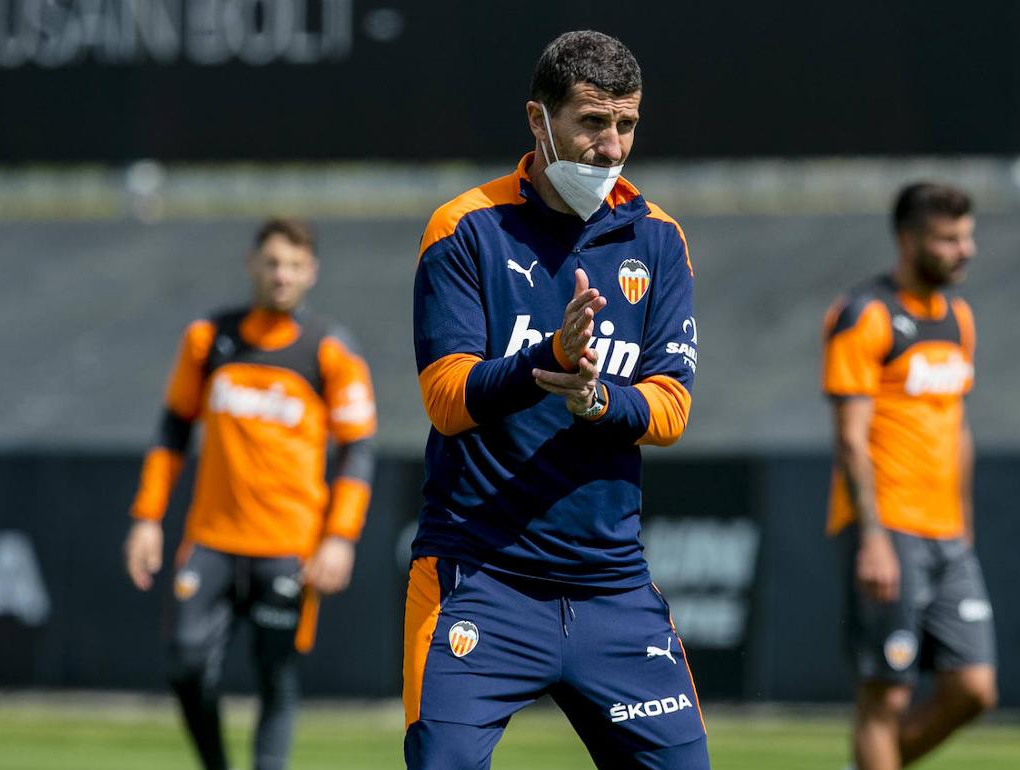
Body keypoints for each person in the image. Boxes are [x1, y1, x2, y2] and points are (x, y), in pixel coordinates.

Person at [405, 30, 708, 770]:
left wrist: (599, 397)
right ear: (538, 121)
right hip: (479, 579)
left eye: (626, 125)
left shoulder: (659, 239)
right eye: (591, 123)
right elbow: (446, 400)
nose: (610, 148)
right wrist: (549, 358)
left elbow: (670, 408)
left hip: (612, 589)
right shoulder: (465, 229)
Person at [123, 217, 377, 770]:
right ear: (252, 265)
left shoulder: (328, 351)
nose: (281, 275)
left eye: (293, 265)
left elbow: (357, 450)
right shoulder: (210, 340)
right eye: (272, 263)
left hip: (288, 545)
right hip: (211, 540)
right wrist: (147, 518)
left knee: (275, 675)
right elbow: (171, 431)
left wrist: (340, 537)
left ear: (311, 273)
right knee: (186, 663)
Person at [822, 183, 997, 770]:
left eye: (967, 236)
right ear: (908, 240)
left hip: (948, 534)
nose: (964, 249)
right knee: (886, 694)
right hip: (887, 528)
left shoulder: (959, 318)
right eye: (949, 239)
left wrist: (965, 524)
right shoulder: (865, 313)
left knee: (974, 689)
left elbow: (959, 427)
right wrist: (872, 538)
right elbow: (850, 436)